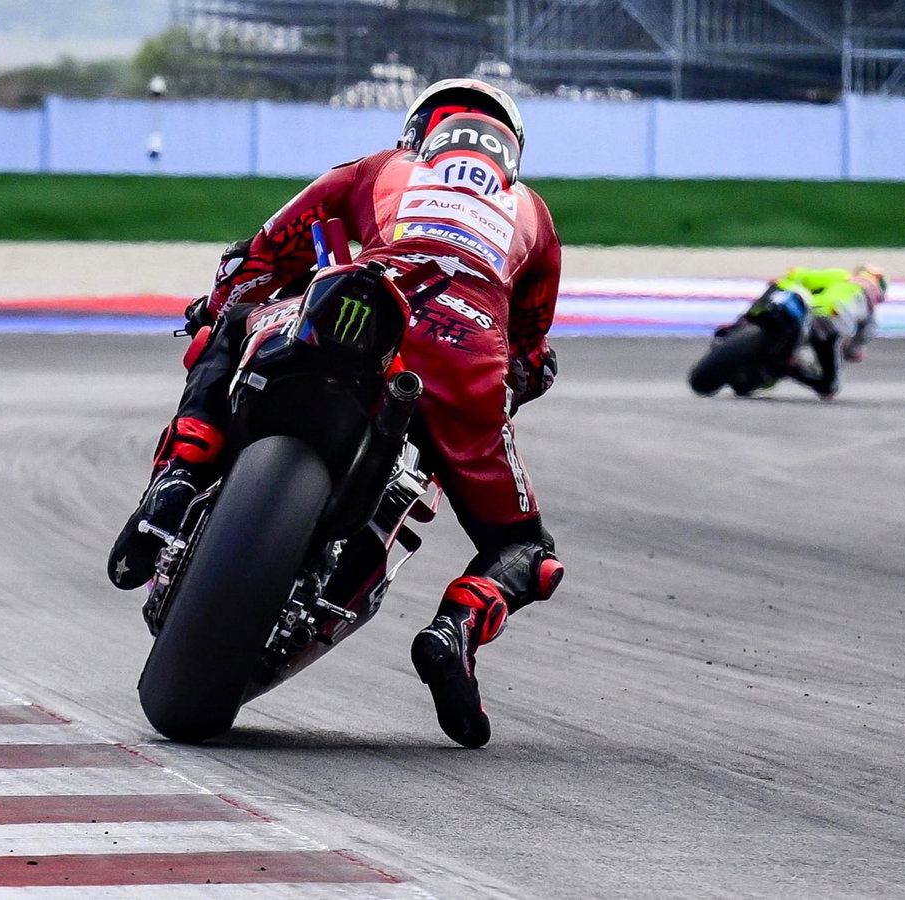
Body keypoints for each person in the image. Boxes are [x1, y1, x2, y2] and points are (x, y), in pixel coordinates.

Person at [107, 78, 565, 749]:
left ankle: (175, 480)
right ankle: (455, 631)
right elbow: (529, 352)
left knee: (231, 326)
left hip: (362, 305)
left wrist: (218, 306)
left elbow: (262, 252)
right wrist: (510, 388)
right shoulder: (535, 216)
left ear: (417, 134)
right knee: (526, 550)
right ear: (513, 155)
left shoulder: (380, 168)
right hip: (466, 359)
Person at [770, 265, 886, 399]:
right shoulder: (871, 311)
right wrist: (853, 352)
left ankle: (782, 359)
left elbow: (805, 277)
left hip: (810, 310)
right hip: (830, 324)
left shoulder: (843, 276)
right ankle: (790, 366)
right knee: (830, 387)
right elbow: (860, 342)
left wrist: (788, 278)